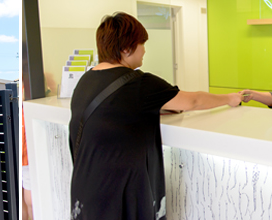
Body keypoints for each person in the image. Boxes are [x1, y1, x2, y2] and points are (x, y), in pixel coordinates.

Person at [69, 12, 241, 220]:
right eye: (141, 43)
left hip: (85, 187)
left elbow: (115, 111)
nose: (144, 51)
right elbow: (192, 101)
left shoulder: (85, 80)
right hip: (118, 195)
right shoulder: (138, 83)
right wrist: (229, 99)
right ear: (125, 48)